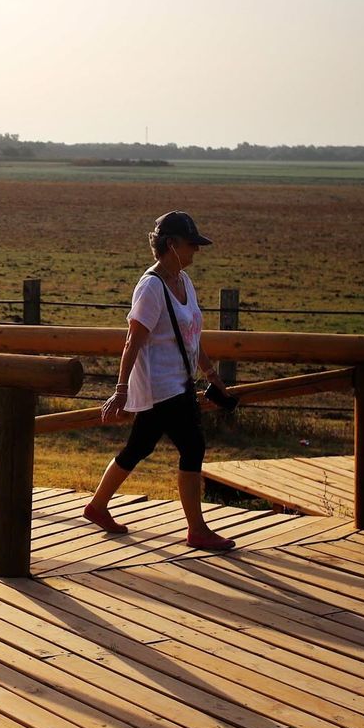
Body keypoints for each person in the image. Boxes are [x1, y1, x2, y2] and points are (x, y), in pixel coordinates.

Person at [83, 211, 236, 551]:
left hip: (180, 382)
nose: (196, 250)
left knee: (140, 446)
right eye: (191, 244)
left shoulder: (185, 281)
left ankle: (96, 507)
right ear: (171, 244)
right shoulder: (151, 287)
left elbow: (191, 337)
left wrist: (211, 375)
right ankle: (197, 530)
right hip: (161, 386)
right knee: (192, 446)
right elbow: (132, 342)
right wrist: (120, 390)